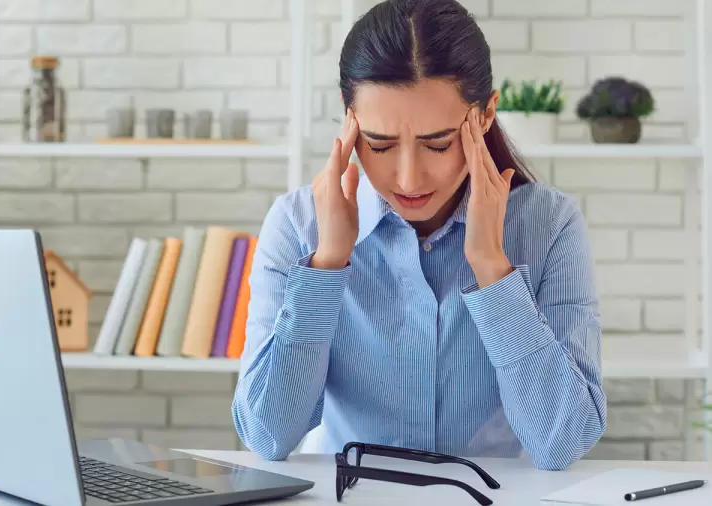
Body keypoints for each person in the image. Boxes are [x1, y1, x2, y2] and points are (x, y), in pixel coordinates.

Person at [231, 0, 606, 471]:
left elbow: (562, 443)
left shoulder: (550, 225)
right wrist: (327, 263)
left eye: (438, 143)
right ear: (349, 119)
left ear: (486, 114)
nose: (408, 178)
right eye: (380, 144)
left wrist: (493, 267)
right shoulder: (296, 224)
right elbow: (267, 436)